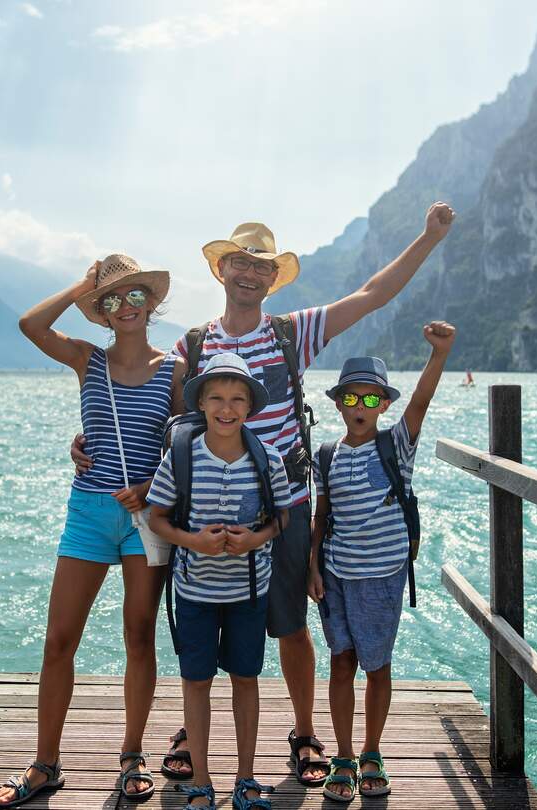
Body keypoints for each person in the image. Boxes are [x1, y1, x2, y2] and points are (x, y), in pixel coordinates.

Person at [72, 203, 455, 783]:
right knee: (196, 614)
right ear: (221, 269)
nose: (250, 274)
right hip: (206, 506)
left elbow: (375, 293)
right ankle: (189, 730)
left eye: (261, 267)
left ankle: (304, 732)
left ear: (272, 279)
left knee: (291, 623)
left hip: (286, 502)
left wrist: (428, 236)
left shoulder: (292, 333)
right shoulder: (191, 348)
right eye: (239, 263)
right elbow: (157, 413)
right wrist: (89, 442)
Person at [0, 255, 175, 808]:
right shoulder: (87, 361)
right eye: (113, 300)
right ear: (102, 311)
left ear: (151, 301)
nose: (125, 307)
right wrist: (85, 285)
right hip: (88, 514)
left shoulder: (175, 370)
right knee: (58, 641)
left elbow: (188, 444)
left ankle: (131, 755)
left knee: (139, 639)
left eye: (134, 295)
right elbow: (31, 326)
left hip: (146, 519)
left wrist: (152, 486)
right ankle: (45, 764)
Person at [307, 322, 455, 803]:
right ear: (338, 403)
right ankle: (345, 756)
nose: (361, 408)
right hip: (336, 574)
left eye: (372, 401)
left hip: (383, 575)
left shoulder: (396, 446)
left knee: (377, 665)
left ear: (385, 406)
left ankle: (372, 751)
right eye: (353, 399)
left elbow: (423, 402)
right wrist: (312, 565)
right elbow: (321, 513)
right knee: (341, 661)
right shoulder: (326, 455)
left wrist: (439, 354)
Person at [146, 353, 291, 810]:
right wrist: (193, 541)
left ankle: (246, 777)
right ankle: (202, 782)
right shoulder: (182, 457)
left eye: (236, 400)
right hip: (194, 593)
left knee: (246, 679)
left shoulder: (268, 459)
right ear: (202, 404)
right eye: (217, 399)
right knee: (197, 683)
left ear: (249, 407)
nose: (226, 409)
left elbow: (282, 518)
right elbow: (156, 517)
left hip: (250, 591)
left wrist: (255, 539)